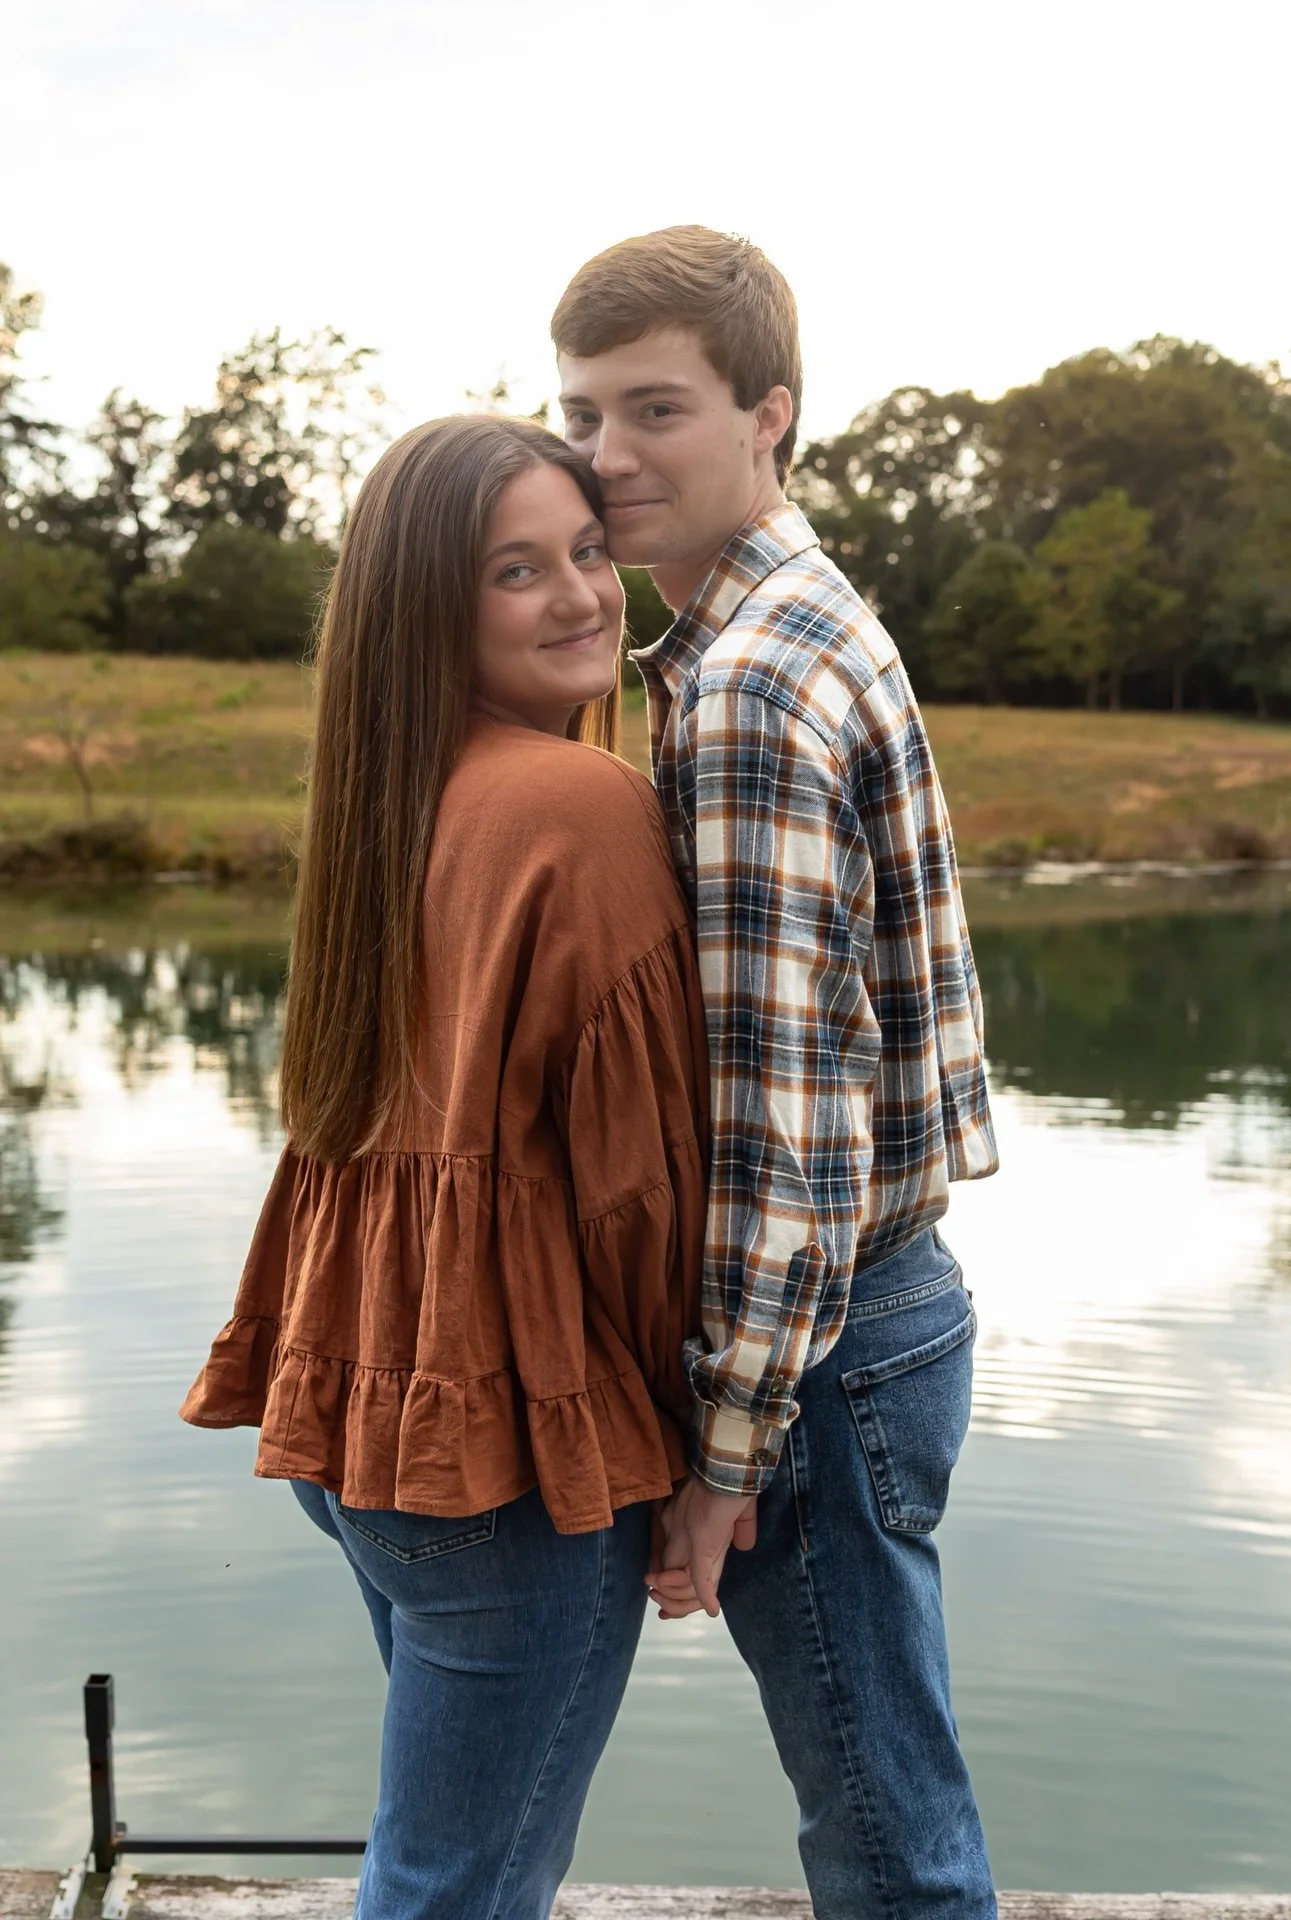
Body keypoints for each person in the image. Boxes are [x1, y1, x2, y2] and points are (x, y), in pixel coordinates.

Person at [180, 414, 711, 1920]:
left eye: (591, 552)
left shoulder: (388, 794)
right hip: (507, 1454)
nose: (585, 595)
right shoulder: (578, 805)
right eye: (517, 571)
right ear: (431, 609)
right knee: (457, 1890)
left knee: (435, 1867)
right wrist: (700, 1450)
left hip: (366, 1409)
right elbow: (637, 1197)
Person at [553, 228, 1001, 1920]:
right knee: (891, 1807)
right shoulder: (807, 620)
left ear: (771, 416)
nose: (607, 458)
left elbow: (781, 1124)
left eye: (655, 409)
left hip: (820, 1347)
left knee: (886, 1844)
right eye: (583, 411)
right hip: (876, 1310)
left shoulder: (743, 692)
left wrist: (726, 1450)